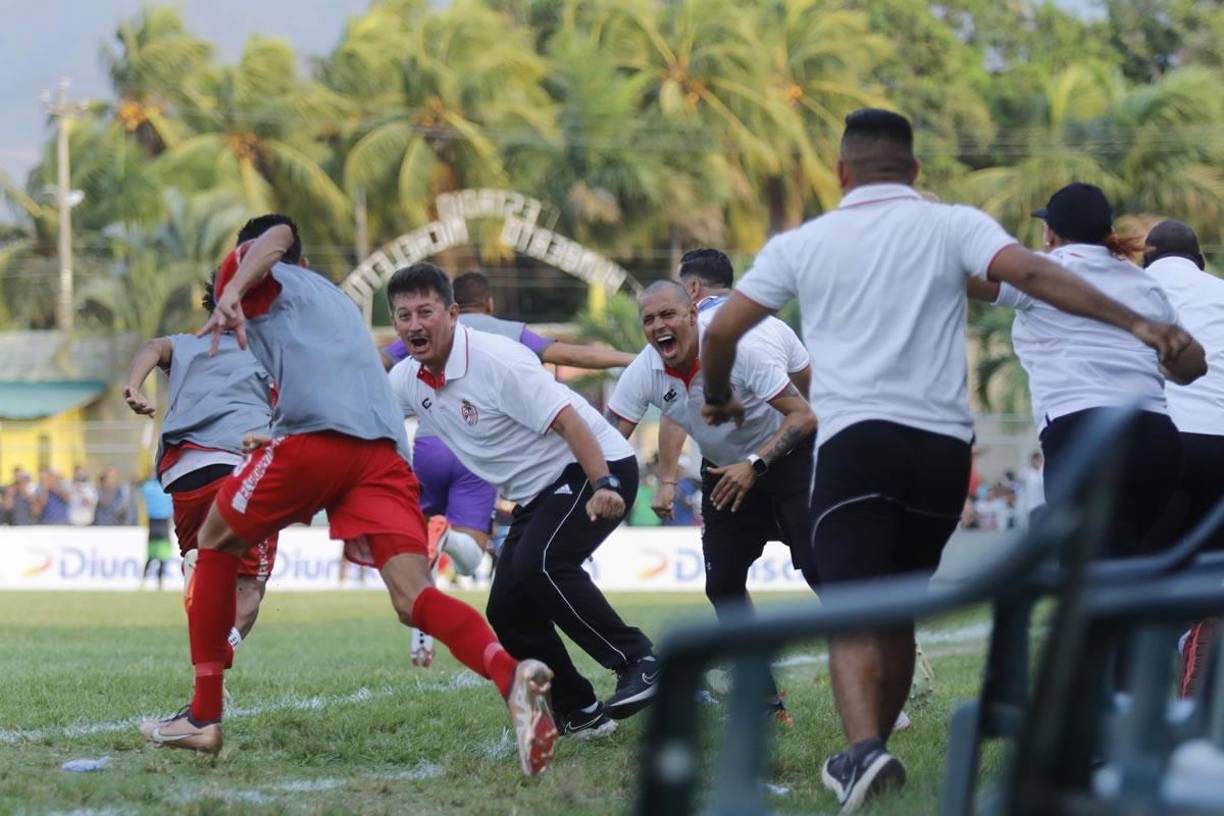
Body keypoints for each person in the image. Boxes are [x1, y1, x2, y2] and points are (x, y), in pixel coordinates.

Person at [698, 109, 1199, 812]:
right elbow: (1029, 270)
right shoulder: (954, 226)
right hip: (943, 453)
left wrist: (717, 394)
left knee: (850, 601)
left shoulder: (803, 242)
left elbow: (721, 328)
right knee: (898, 602)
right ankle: (877, 751)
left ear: (841, 172)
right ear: (915, 170)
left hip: (857, 442)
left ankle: (865, 752)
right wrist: (1142, 324)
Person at [139, 216, 558, 779]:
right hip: (383, 453)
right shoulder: (331, 298)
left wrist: (234, 287)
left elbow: (281, 233)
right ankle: (512, 675)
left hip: (321, 442)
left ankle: (203, 715)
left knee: (214, 541)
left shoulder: (260, 273)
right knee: (412, 598)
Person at [387, 262, 656, 738]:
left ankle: (640, 661)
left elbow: (571, 421)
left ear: (452, 313)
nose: (413, 325)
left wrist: (605, 486)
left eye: (424, 312)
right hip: (538, 493)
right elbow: (366, 416)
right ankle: (579, 711)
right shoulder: (408, 378)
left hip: (594, 465)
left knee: (541, 563)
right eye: (403, 316)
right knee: (507, 610)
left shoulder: (498, 361)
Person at [606, 280, 817, 725]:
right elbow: (607, 438)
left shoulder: (740, 350)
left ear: (692, 315)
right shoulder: (646, 369)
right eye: (648, 319)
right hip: (723, 471)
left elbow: (804, 414)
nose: (658, 326)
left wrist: (756, 464)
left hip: (787, 458)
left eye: (667, 315)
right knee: (722, 586)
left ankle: (877, 663)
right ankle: (765, 703)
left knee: (822, 570)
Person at [969, 184, 1205, 557]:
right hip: (1155, 436)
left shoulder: (1039, 274)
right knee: (1134, 568)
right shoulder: (1144, 283)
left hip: (1083, 434)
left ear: (1050, 233)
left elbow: (965, 279)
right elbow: (1193, 366)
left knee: (1086, 577)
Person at [122, 275, 280, 662]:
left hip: (183, 473)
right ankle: (215, 657)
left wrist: (134, 386)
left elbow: (152, 347)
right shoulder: (270, 352)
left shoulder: (188, 344)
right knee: (249, 587)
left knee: (207, 575)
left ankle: (200, 582)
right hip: (239, 468)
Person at [1141, 220, 1224, 696]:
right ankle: (1200, 642)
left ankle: (1150, 675)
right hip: (1217, 439)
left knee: (1148, 567)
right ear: (1201, 261)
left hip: (1156, 438)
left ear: (1144, 261)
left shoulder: (1131, 292)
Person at [139, 474, 174, 590]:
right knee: (163, 558)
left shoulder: (147, 487)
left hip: (152, 525)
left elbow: (140, 490)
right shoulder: (167, 489)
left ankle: (143, 582)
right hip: (164, 525)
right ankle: (160, 584)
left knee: (150, 556)